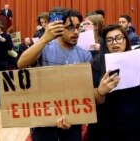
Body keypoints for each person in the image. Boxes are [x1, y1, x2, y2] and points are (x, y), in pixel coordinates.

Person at [88, 1, 140, 140]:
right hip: (105, 129)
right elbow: (93, 99)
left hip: (133, 127)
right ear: (105, 43)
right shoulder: (97, 63)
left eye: (119, 38)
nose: (115, 42)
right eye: (110, 40)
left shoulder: (135, 57)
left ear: (126, 40)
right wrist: (101, 91)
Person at [18, 8, 92, 141]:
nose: (76, 32)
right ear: (59, 28)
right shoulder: (45, 47)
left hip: (72, 119)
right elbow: (21, 63)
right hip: (43, 117)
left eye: (77, 27)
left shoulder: (85, 55)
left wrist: (74, 117)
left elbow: (84, 91)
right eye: (70, 27)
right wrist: (44, 39)